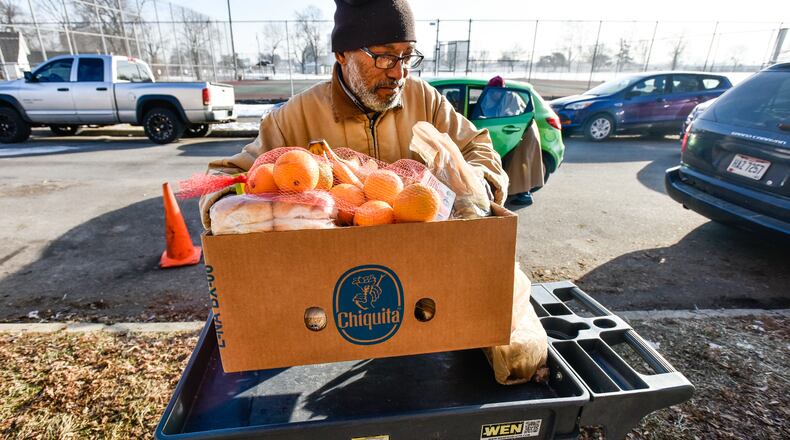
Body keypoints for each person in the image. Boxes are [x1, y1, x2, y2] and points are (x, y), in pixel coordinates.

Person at [199, 0, 507, 227]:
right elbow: (225, 177)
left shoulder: (425, 100)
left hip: (421, 261)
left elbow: (478, 147)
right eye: (385, 56)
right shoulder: (295, 117)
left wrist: (473, 184)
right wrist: (234, 208)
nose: (399, 72)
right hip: (333, 276)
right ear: (342, 53)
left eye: (407, 56)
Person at [479, 76, 545, 207]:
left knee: (521, 165)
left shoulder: (511, 97)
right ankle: (521, 192)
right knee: (515, 165)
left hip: (523, 132)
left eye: (495, 91)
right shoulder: (497, 96)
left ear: (501, 89)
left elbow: (509, 115)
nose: (494, 93)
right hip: (514, 132)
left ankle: (524, 195)